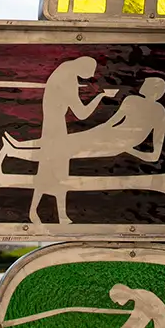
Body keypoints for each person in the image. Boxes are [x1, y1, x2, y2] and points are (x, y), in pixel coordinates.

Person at [28, 56, 115, 224]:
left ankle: (57, 214)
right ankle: (39, 212)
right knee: (54, 172)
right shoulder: (67, 78)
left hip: (52, 128)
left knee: (54, 172)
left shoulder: (63, 70)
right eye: (89, 73)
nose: (90, 77)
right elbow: (82, 114)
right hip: (56, 130)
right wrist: (101, 96)